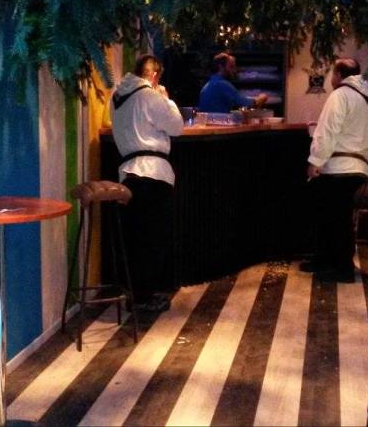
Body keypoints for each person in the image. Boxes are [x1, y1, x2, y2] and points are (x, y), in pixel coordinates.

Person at [111, 54, 184, 311]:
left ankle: (137, 294)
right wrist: (166, 98)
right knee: (152, 238)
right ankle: (144, 298)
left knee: (136, 237)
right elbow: (177, 126)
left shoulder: (117, 97)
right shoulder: (150, 96)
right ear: (154, 75)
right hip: (153, 173)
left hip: (128, 173)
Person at [304, 58, 368, 281]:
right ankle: (327, 261)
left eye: (332, 73)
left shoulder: (340, 95)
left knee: (334, 218)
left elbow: (327, 131)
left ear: (339, 74)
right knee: (338, 216)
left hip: (339, 166)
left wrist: (315, 161)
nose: (331, 78)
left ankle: (341, 268)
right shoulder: (364, 98)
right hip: (358, 166)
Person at [198, 52, 268, 113]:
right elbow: (246, 103)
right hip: (218, 123)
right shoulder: (222, 84)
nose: (234, 71)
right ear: (221, 67)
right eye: (231, 67)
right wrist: (262, 98)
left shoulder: (208, 85)